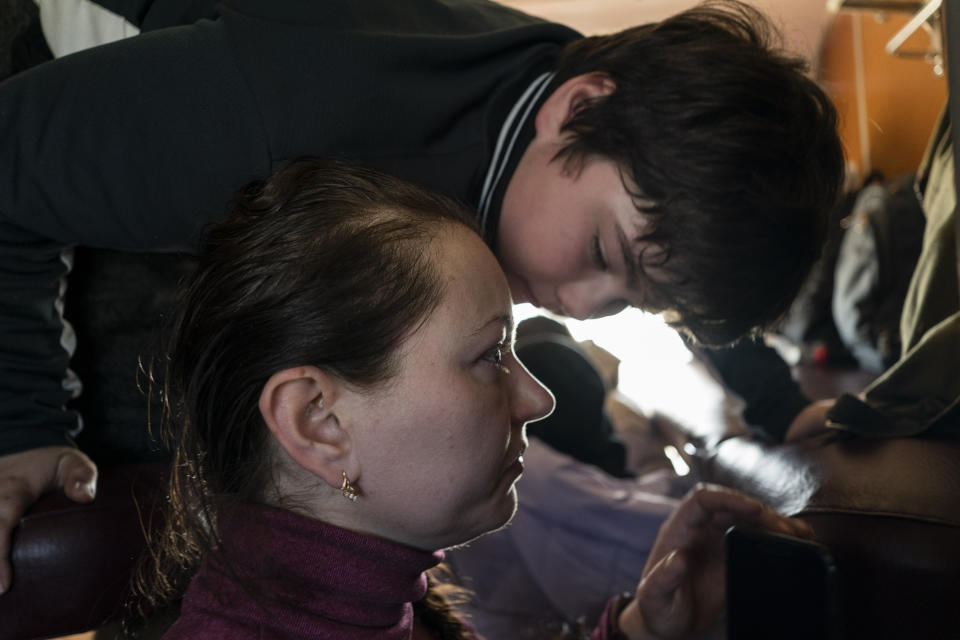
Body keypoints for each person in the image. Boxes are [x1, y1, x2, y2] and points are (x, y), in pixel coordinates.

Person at [0, 0, 844, 592]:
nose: (583, 305)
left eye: (633, 299)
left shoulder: (561, 108)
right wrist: (25, 425)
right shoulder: (301, 120)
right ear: (579, 105)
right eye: (602, 254)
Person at [136, 158, 814, 639]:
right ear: (319, 422)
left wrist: (638, 632)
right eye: (491, 356)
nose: (538, 398)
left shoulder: (385, 603)